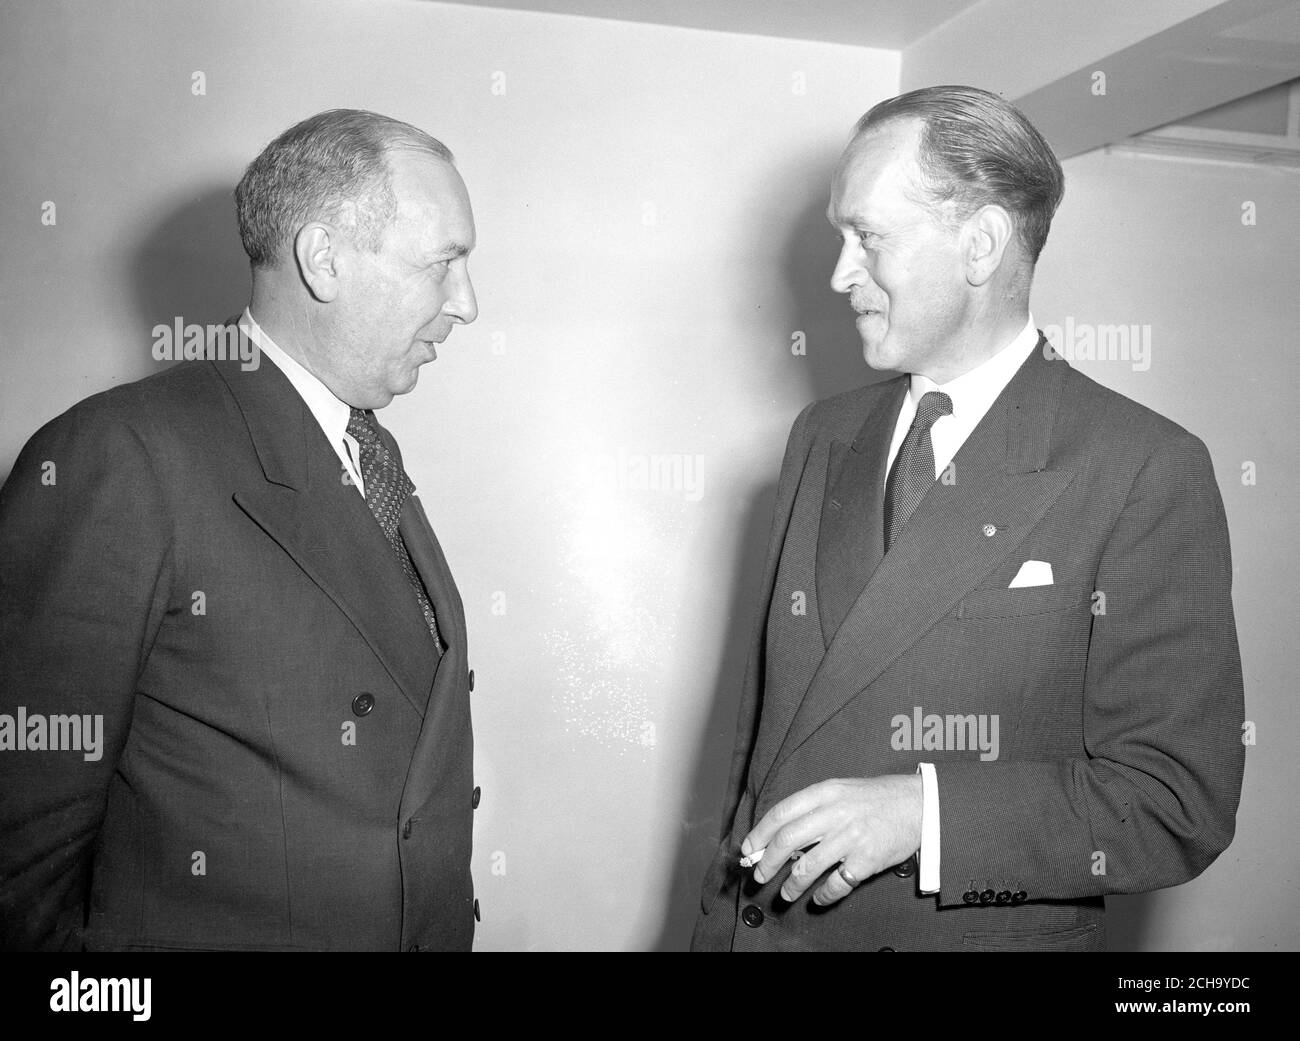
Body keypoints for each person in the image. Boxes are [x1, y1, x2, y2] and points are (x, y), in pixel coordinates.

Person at [692, 85, 1245, 952]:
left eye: (867, 237)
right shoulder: (821, 438)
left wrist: (929, 814)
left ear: (981, 244)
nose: (839, 274)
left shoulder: (1142, 466)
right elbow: (762, 744)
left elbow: (1178, 802)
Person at [0, 108, 480, 951]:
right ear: (324, 260)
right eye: (444, 264)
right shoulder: (122, 455)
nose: (466, 304)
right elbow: (20, 852)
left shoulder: (367, 449)